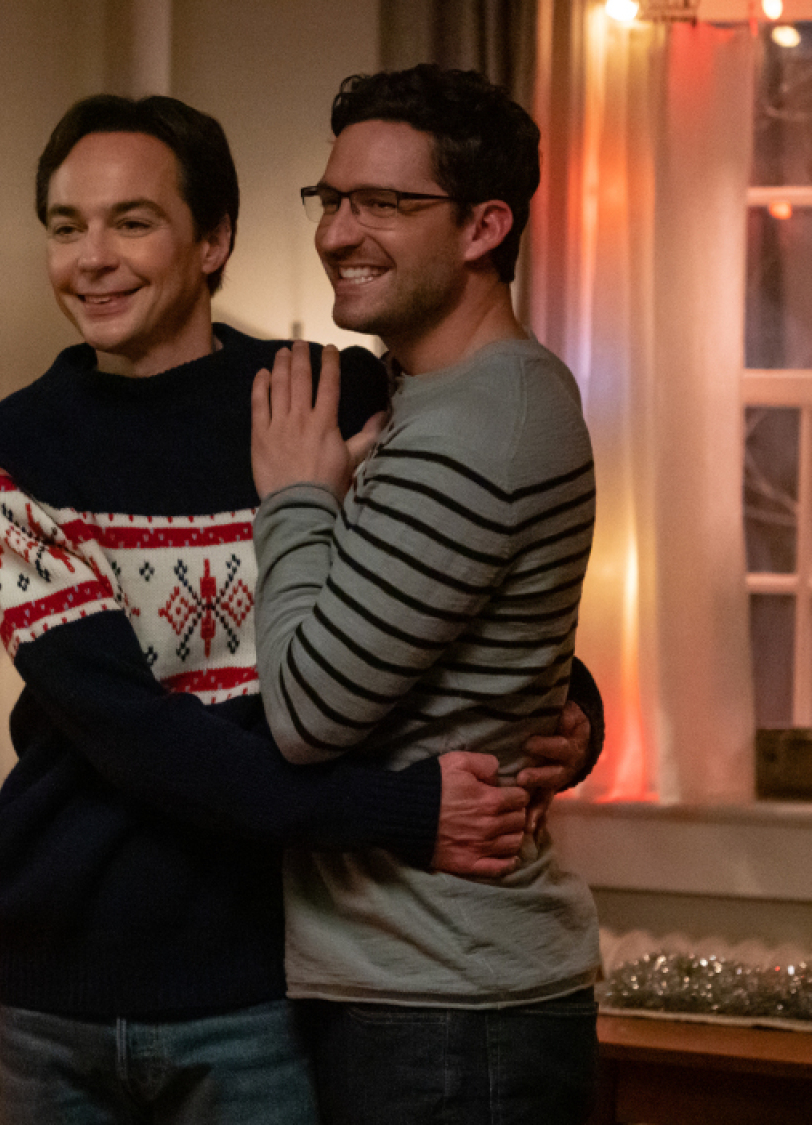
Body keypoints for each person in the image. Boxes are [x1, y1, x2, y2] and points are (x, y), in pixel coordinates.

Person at [0, 92, 602, 1125]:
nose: (93, 259)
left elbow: (454, 589)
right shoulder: (13, 455)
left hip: (251, 980)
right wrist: (400, 812)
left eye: (132, 221)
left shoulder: (323, 398)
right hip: (53, 977)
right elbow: (133, 734)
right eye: (65, 227)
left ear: (213, 241)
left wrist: (567, 707)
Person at [249, 65, 599, 1124]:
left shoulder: (473, 424)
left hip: (444, 1003)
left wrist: (298, 499)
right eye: (330, 198)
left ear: (484, 225)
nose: (337, 232)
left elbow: (306, 716)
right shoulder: (443, 399)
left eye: (384, 205)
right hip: (420, 991)